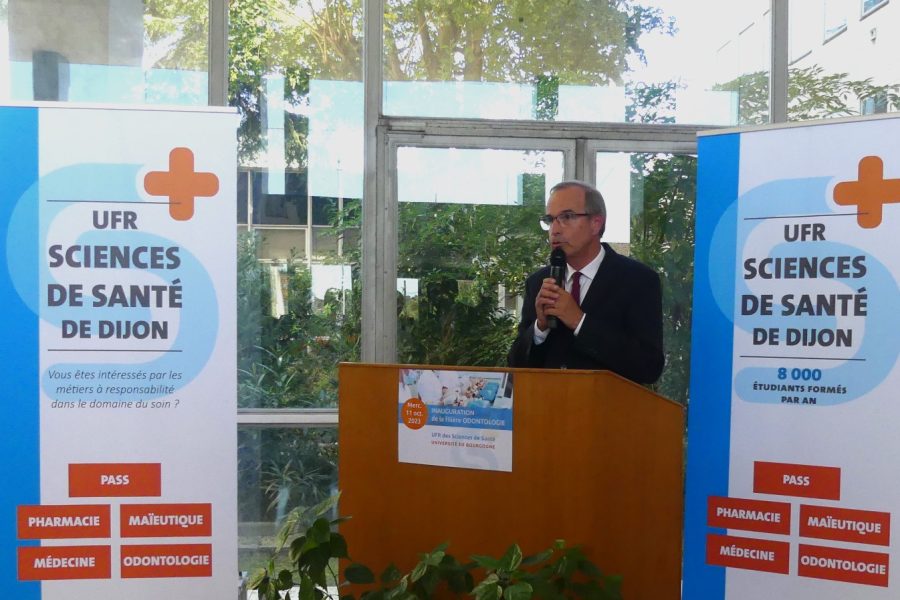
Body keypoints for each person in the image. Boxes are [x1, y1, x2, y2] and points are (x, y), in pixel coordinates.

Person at [507, 180, 664, 384]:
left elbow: (648, 366)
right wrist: (540, 328)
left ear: (595, 223)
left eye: (566, 217)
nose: (555, 229)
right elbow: (516, 367)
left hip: (608, 412)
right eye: (550, 219)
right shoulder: (539, 282)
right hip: (548, 411)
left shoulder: (638, 280)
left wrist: (580, 321)